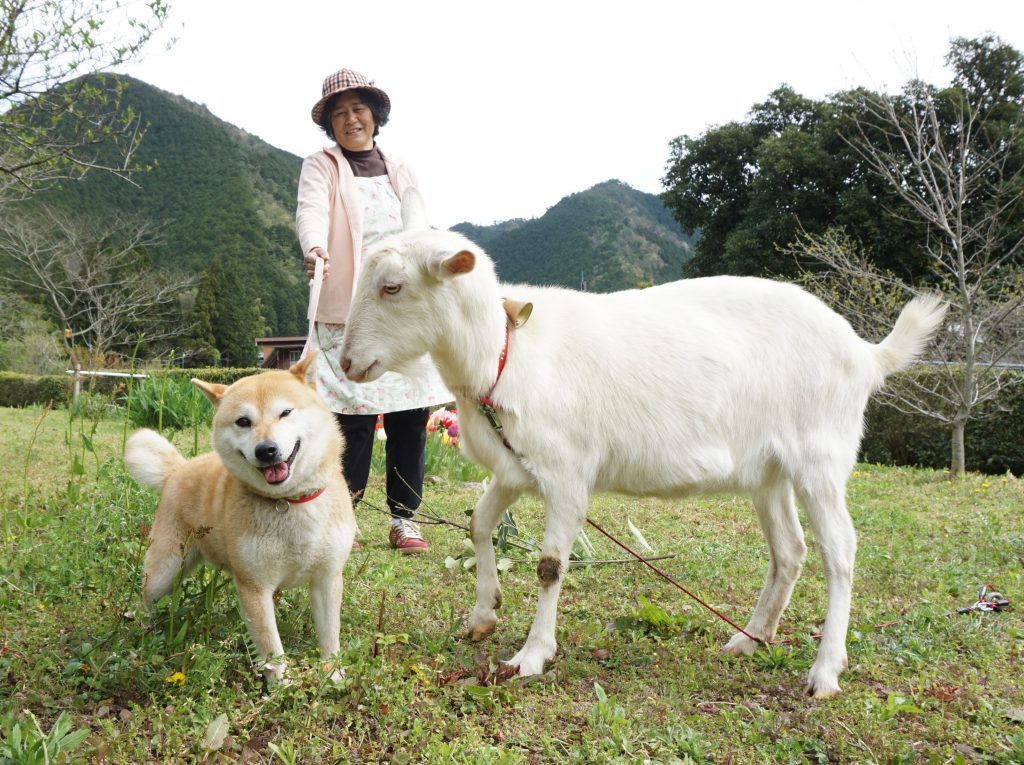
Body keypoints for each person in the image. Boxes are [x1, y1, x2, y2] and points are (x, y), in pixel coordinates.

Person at [295, 68, 451, 553]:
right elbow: (311, 210)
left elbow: (418, 219)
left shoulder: (400, 166)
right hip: (349, 309)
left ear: (375, 115)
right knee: (353, 418)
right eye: (339, 113)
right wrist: (315, 247)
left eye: (358, 110)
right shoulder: (321, 165)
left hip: (401, 311)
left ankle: (405, 519)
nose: (351, 119)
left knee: (409, 413)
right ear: (330, 125)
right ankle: (346, 515)